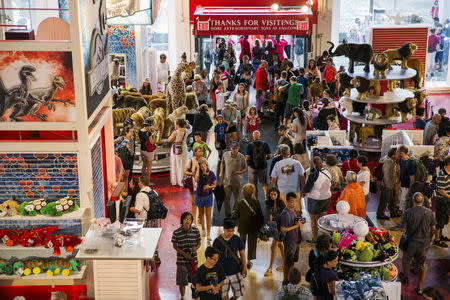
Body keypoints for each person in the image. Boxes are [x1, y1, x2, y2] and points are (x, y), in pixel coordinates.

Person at [399, 192, 436, 295]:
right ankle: (420, 287)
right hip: (424, 242)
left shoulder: (408, 212)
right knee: (423, 264)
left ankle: (405, 277)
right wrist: (429, 238)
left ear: (413, 201)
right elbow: (433, 229)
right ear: (423, 201)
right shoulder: (429, 213)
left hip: (411, 242)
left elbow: (402, 229)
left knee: (406, 259)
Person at [212, 219, 247, 300]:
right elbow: (213, 259)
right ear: (224, 229)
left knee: (239, 292)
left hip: (236, 271)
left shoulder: (237, 239)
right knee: (224, 295)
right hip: (222, 274)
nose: (230, 233)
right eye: (228, 231)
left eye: (232, 231)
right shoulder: (217, 241)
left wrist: (244, 268)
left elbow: (242, 254)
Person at [233, 183, 264, 269]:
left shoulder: (240, 203)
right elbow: (260, 216)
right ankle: (249, 261)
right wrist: (260, 226)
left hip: (243, 227)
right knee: (252, 244)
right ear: (253, 192)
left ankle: (241, 260)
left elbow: (235, 216)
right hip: (253, 227)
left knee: (241, 243)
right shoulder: (256, 202)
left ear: (243, 192)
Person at [130, 176, 161, 263]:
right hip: (154, 219)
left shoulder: (140, 195)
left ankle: (147, 259)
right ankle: (156, 256)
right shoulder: (153, 192)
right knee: (154, 238)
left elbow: (138, 209)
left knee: (145, 239)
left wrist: (132, 209)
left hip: (145, 220)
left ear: (140, 182)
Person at [172, 212, 201, 300]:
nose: (187, 221)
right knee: (182, 280)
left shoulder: (195, 231)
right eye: (185, 219)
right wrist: (184, 254)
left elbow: (199, 242)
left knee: (194, 278)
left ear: (192, 221)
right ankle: (183, 296)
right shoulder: (176, 232)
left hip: (193, 260)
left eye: (189, 219)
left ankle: (193, 289)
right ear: (182, 220)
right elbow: (175, 246)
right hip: (181, 260)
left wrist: (195, 248)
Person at [279, 193, 306, 285]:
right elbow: (283, 229)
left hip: (295, 240)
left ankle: (290, 279)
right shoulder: (285, 214)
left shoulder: (293, 210)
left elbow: (294, 223)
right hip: (290, 241)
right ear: (286, 201)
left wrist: (299, 222)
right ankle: (285, 280)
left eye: (295, 202)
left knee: (292, 261)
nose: (293, 204)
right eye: (291, 202)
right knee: (287, 262)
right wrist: (296, 226)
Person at [304, 157, 332, 243]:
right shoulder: (328, 172)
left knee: (314, 220)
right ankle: (325, 237)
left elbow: (307, 189)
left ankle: (315, 239)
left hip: (315, 200)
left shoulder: (313, 175)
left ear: (314, 165)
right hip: (326, 198)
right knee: (323, 218)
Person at [271, 146, 305, 212]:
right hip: (295, 192)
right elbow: (302, 177)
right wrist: (303, 189)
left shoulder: (277, 164)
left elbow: (273, 180)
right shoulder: (297, 163)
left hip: (282, 192)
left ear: (281, 154)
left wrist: (274, 191)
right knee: (297, 213)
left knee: (284, 212)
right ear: (290, 153)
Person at [220, 142, 247, 218]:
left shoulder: (241, 157)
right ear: (230, 148)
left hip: (237, 182)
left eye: (236, 148)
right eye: (233, 148)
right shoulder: (225, 155)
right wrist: (221, 172)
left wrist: (240, 172)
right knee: (226, 199)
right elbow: (222, 163)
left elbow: (245, 168)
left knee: (237, 199)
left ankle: (234, 213)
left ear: (238, 148)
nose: (235, 150)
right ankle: (227, 215)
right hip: (227, 181)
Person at [264, 187, 286, 277]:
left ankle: (270, 268)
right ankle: (285, 265)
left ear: (278, 194)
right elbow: (267, 215)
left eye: (275, 194)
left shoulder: (281, 203)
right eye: (271, 194)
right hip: (273, 227)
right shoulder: (268, 202)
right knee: (280, 245)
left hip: (280, 228)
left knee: (273, 247)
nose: (273, 196)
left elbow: (284, 216)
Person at [246, 130, 272, 203]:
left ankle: (256, 200)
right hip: (263, 167)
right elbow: (270, 156)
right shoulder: (265, 144)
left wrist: (247, 164)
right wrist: (265, 158)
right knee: (264, 183)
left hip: (252, 168)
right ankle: (266, 198)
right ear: (260, 136)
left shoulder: (250, 145)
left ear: (253, 137)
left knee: (253, 185)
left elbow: (247, 158)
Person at [195, 161, 216, 242]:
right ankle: (203, 229)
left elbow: (214, 184)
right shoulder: (198, 174)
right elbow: (196, 179)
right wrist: (197, 168)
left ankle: (208, 234)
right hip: (199, 196)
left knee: (208, 216)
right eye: (202, 167)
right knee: (200, 215)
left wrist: (209, 187)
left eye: (205, 166)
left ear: (207, 166)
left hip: (208, 197)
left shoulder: (211, 174)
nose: (204, 168)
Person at [184, 147, 206, 226]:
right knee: (194, 203)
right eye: (199, 151)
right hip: (193, 184)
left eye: (202, 151)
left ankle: (200, 218)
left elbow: (208, 171)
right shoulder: (190, 160)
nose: (201, 152)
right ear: (195, 152)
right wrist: (192, 173)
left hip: (201, 183)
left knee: (201, 202)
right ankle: (193, 221)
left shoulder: (204, 160)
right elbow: (185, 171)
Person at [378, 148, 401, 219]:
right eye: (397, 154)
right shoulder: (388, 162)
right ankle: (380, 214)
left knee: (392, 199)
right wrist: (388, 185)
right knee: (384, 200)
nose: (399, 155)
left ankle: (393, 212)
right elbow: (386, 175)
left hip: (391, 184)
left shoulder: (389, 160)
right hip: (387, 185)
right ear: (393, 155)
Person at [434, 155, 450, 248]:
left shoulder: (448, 173)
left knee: (444, 219)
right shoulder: (442, 174)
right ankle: (436, 239)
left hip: (447, 200)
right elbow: (441, 191)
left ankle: (440, 235)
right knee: (439, 220)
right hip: (442, 201)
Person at [168, 119, 190, 187]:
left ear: (177, 124)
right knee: (183, 163)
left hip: (176, 148)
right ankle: (183, 180)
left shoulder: (176, 132)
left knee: (176, 163)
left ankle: (176, 181)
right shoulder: (186, 131)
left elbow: (169, 140)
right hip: (183, 147)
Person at [139, 118, 157, 184]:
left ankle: (142, 181)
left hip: (142, 150)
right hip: (148, 151)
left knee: (144, 166)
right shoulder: (148, 133)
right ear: (149, 125)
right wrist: (155, 136)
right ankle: (148, 182)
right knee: (149, 167)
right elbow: (152, 142)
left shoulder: (140, 131)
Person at [398, 146, 416, 212]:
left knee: (404, 201)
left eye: (398, 151)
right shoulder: (401, 160)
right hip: (402, 184)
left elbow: (412, 178)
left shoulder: (411, 162)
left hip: (407, 185)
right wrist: (399, 182)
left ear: (402, 152)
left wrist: (410, 189)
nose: (397, 153)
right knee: (401, 201)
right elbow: (400, 172)